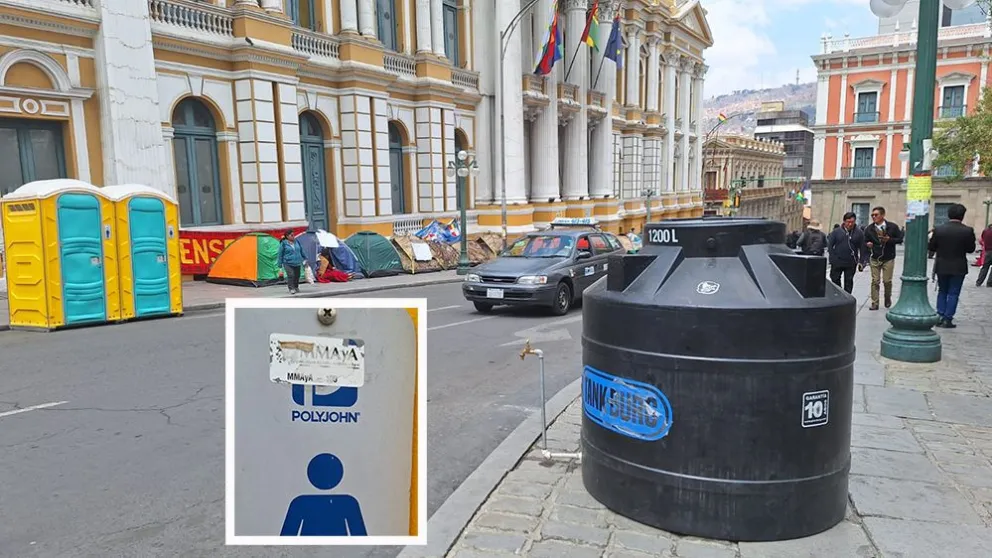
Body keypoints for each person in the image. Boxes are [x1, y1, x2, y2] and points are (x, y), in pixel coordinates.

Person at [929, 203, 976, 328]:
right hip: (959, 266)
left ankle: (940, 315)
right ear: (963, 215)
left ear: (948, 214)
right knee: (953, 293)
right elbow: (971, 249)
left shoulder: (939, 229)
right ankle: (948, 318)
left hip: (942, 265)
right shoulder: (968, 230)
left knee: (942, 291)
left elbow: (931, 247)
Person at [863, 206, 903, 310]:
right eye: (872, 215)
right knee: (875, 281)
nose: (874, 217)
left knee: (887, 281)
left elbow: (900, 239)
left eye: (876, 215)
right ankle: (874, 303)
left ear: (883, 215)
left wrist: (889, 240)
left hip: (888, 257)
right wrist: (868, 244)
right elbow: (864, 241)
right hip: (875, 257)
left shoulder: (892, 227)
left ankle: (887, 298)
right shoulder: (869, 229)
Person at [827, 212, 867, 294]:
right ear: (844, 221)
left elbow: (862, 248)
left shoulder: (859, 233)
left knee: (848, 281)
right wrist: (832, 258)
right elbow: (830, 245)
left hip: (851, 261)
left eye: (852, 222)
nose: (850, 224)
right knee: (834, 278)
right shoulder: (836, 232)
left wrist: (862, 262)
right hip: (838, 260)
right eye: (848, 222)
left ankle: (847, 296)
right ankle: (839, 294)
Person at [277, 230, 306, 295]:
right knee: (291, 275)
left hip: (297, 262)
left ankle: (296, 287)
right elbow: (280, 254)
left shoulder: (297, 242)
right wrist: (280, 265)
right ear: (287, 236)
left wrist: (305, 258)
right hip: (287, 263)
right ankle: (291, 288)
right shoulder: (284, 243)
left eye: (294, 235)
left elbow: (301, 250)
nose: (293, 236)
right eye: (291, 235)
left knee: (297, 276)